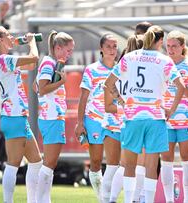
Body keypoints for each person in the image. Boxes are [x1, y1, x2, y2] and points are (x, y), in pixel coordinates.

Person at [104, 25, 185, 203]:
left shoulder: (129, 57)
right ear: (161, 41)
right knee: (150, 166)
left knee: (129, 165)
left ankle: (125, 200)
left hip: (132, 117)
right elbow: (181, 87)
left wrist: (122, 101)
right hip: (156, 117)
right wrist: (170, 110)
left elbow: (107, 84)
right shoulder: (164, 60)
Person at [0, 26, 42, 203]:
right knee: (13, 164)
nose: (12, 37)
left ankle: (32, 200)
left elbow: (31, 64)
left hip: (19, 117)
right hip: (13, 117)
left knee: (36, 162)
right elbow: (34, 58)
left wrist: (30, 45)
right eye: (8, 35)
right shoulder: (3, 59)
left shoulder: (5, 59)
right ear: (0, 40)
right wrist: (31, 42)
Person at [74, 34, 121, 203]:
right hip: (94, 119)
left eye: (114, 46)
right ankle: (101, 197)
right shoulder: (92, 69)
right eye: (108, 46)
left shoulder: (121, 69)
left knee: (115, 163)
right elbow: (83, 97)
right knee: (95, 161)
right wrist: (80, 122)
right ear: (101, 49)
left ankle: (110, 198)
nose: (112, 50)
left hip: (115, 121)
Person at [161, 30, 188, 203]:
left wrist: (180, 83)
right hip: (165, 119)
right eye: (168, 46)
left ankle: (187, 201)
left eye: (174, 46)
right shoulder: (162, 63)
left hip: (186, 120)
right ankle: (169, 200)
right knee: (166, 160)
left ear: (182, 46)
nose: (170, 50)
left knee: (186, 160)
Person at [36, 30, 74, 202]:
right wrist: (61, 82)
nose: (69, 54)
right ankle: (39, 199)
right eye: (68, 50)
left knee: (50, 164)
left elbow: (35, 88)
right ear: (58, 48)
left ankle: (45, 199)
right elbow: (42, 90)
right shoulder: (49, 63)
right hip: (51, 117)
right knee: (49, 163)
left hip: (51, 116)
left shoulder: (49, 62)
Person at [108, 34, 146, 203]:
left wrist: (121, 100)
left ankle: (112, 198)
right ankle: (136, 199)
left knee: (124, 164)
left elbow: (109, 85)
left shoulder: (122, 65)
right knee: (140, 164)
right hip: (140, 116)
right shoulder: (140, 66)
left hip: (126, 117)